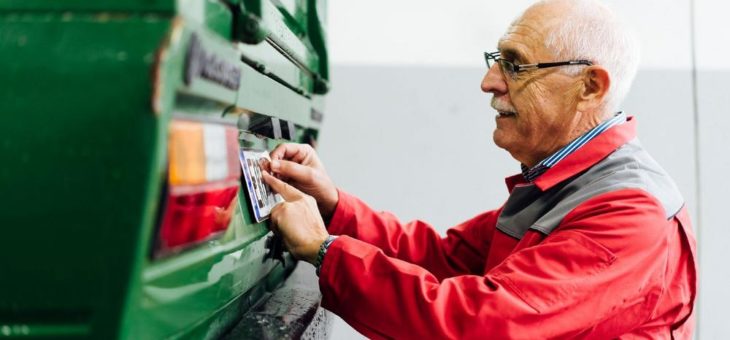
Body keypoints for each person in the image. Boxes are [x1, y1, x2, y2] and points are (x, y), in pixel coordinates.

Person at [261, 0, 698, 338]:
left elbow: (481, 324)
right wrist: (333, 205)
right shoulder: (564, 185)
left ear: (589, 87)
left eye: (514, 64)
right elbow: (444, 259)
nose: (489, 82)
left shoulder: (628, 213)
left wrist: (325, 250)